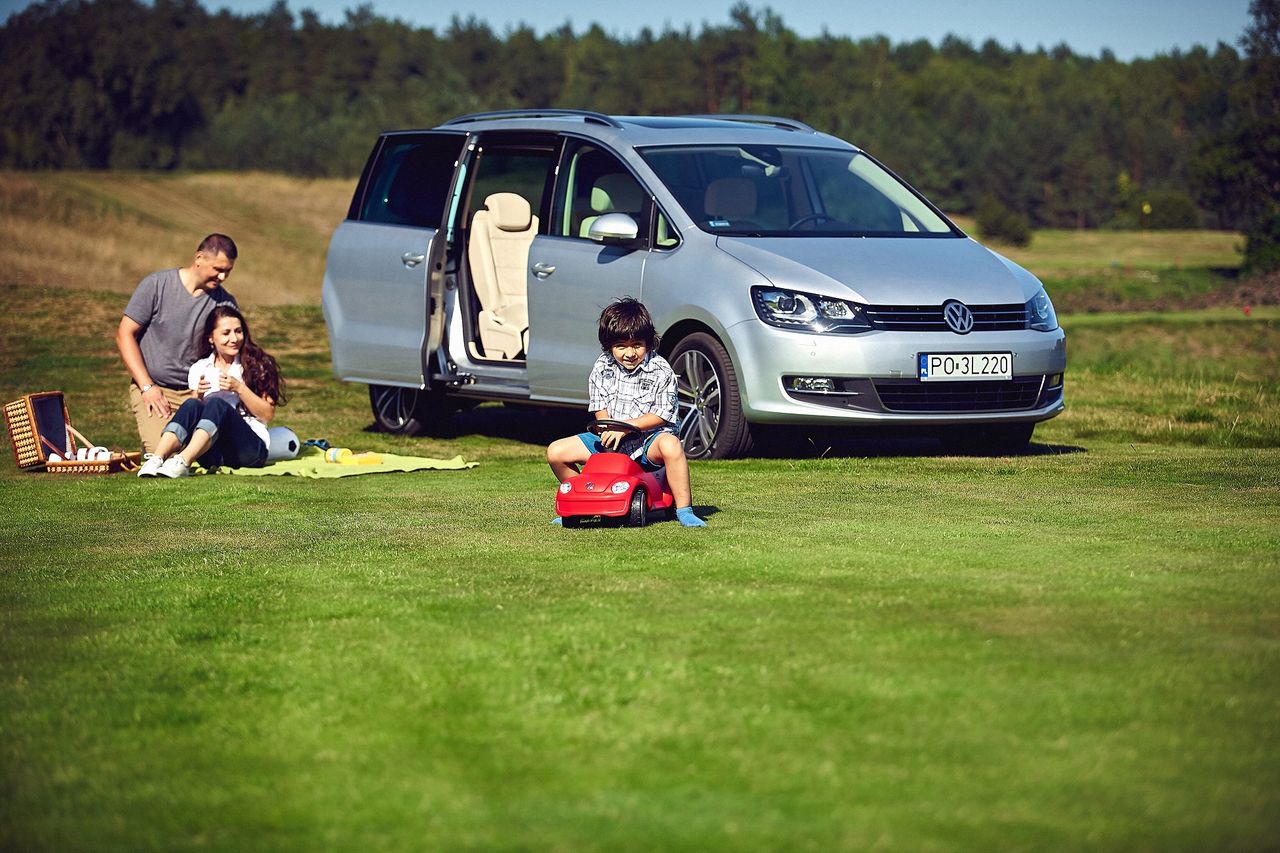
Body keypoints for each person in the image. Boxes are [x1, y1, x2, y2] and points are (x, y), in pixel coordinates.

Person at [547, 298, 706, 527]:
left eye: (637, 345)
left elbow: (662, 414)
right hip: (611, 438)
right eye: (621, 346)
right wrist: (607, 428)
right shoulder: (602, 366)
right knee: (556, 452)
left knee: (671, 445)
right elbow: (600, 406)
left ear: (648, 342)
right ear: (609, 346)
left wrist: (623, 428)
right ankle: (586, 503)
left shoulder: (661, 370)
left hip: (647, 441)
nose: (629, 353)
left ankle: (684, 510)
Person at [116, 234, 239, 455]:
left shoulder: (225, 303)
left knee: (208, 451)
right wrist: (147, 386)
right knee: (162, 453)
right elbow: (125, 334)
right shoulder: (157, 285)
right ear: (199, 258)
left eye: (227, 271)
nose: (222, 276)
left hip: (200, 393)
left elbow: (236, 349)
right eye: (218, 269)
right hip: (156, 388)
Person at [137, 305, 286, 478]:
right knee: (192, 403)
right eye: (226, 333)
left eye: (238, 331)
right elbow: (193, 412)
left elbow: (267, 414)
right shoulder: (199, 368)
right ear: (211, 338)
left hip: (250, 450)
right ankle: (156, 459)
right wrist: (198, 396)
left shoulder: (259, 364)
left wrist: (239, 388)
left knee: (217, 404)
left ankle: (183, 461)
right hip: (213, 452)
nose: (234, 338)